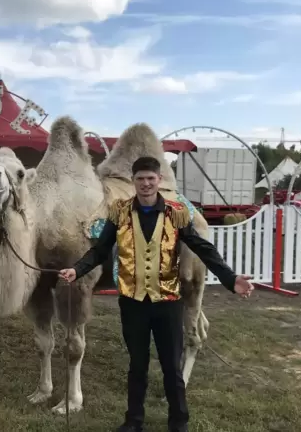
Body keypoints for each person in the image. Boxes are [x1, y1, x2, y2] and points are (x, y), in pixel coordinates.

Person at [59, 156, 254, 432]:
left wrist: (230, 278)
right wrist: (77, 270)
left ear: (159, 180)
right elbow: (100, 250)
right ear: (134, 182)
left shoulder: (177, 212)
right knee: (136, 366)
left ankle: (178, 422)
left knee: (171, 368)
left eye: (151, 178)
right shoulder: (119, 211)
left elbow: (201, 247)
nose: (146, 183)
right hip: (133, 303)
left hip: (167, 303)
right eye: (140, 179)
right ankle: (134, 420)